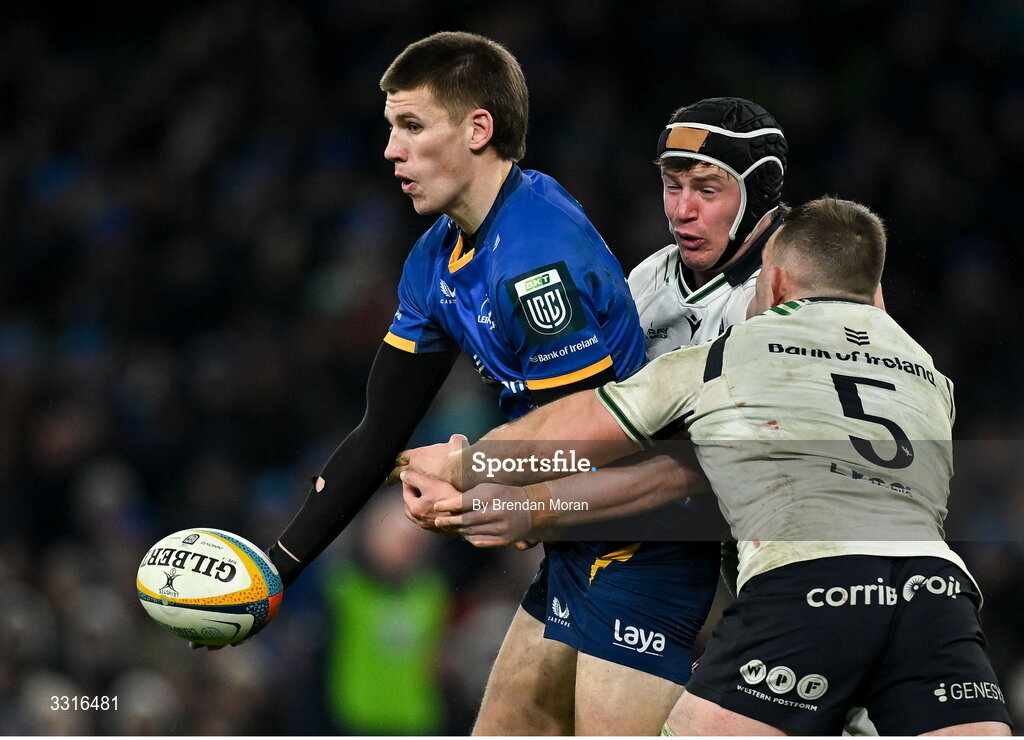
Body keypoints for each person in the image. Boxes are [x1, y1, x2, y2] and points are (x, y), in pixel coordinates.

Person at [398, 197, 1012, 736]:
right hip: (935, 591)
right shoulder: (931, 378)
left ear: (771, 288)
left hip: (804, 586)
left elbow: (568, 435)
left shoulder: (726, 357)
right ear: (877, 297)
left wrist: (464, 465)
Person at [242, 30, 693, 736]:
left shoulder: (537, 260)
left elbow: (591, 446)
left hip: (644, 550)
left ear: (478, 129)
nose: (392, 150)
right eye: (391, 128)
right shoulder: (435, 261)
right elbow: (379, 432)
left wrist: (471, 481)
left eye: (413, 126)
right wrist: (272, 574)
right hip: (580, 549)